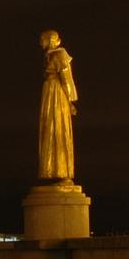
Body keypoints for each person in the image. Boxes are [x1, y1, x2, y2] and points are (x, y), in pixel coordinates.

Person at [37, 29, 78, 181]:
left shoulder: (60, 55)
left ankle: (60, 171)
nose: (41, 43)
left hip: (57, 93)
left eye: (43, 39)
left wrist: (70, 100)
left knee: (57, 126)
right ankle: (49, 170)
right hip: (49, 92)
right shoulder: (48, 56)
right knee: (49, 128)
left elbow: (66, 78)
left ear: (51, 40)